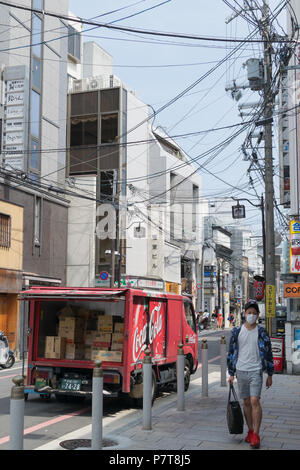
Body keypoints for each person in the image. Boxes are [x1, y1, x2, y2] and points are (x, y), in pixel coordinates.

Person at [227, 299, 274, 449]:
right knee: (246, 402)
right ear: (244, 314)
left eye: (254, 313)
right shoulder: (236, 331)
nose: (251, 315)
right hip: (241, 371)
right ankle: (250, 431)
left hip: (256, 370)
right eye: (249, 313)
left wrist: (270, 374)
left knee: (255, 401)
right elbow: (232, 352)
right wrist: (231, 372)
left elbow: (268, 352)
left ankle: (256, 434)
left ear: (258, 315)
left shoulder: (262, 332)